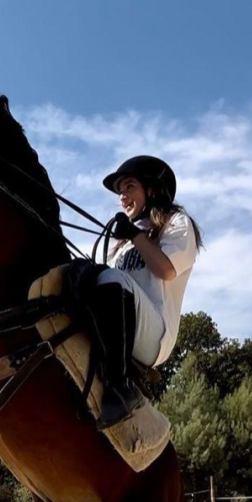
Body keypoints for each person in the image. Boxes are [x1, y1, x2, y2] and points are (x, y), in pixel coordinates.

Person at [89, 156, 202, 430]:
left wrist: (136, 237)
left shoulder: (176, 223)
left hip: (156, 336)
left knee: (110, 278)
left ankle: (120, 389)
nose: (123, 198)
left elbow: (166, 270)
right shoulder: (124, 243)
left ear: (151, 190)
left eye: (129, 187)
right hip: (125, 328)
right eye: (120, 192)